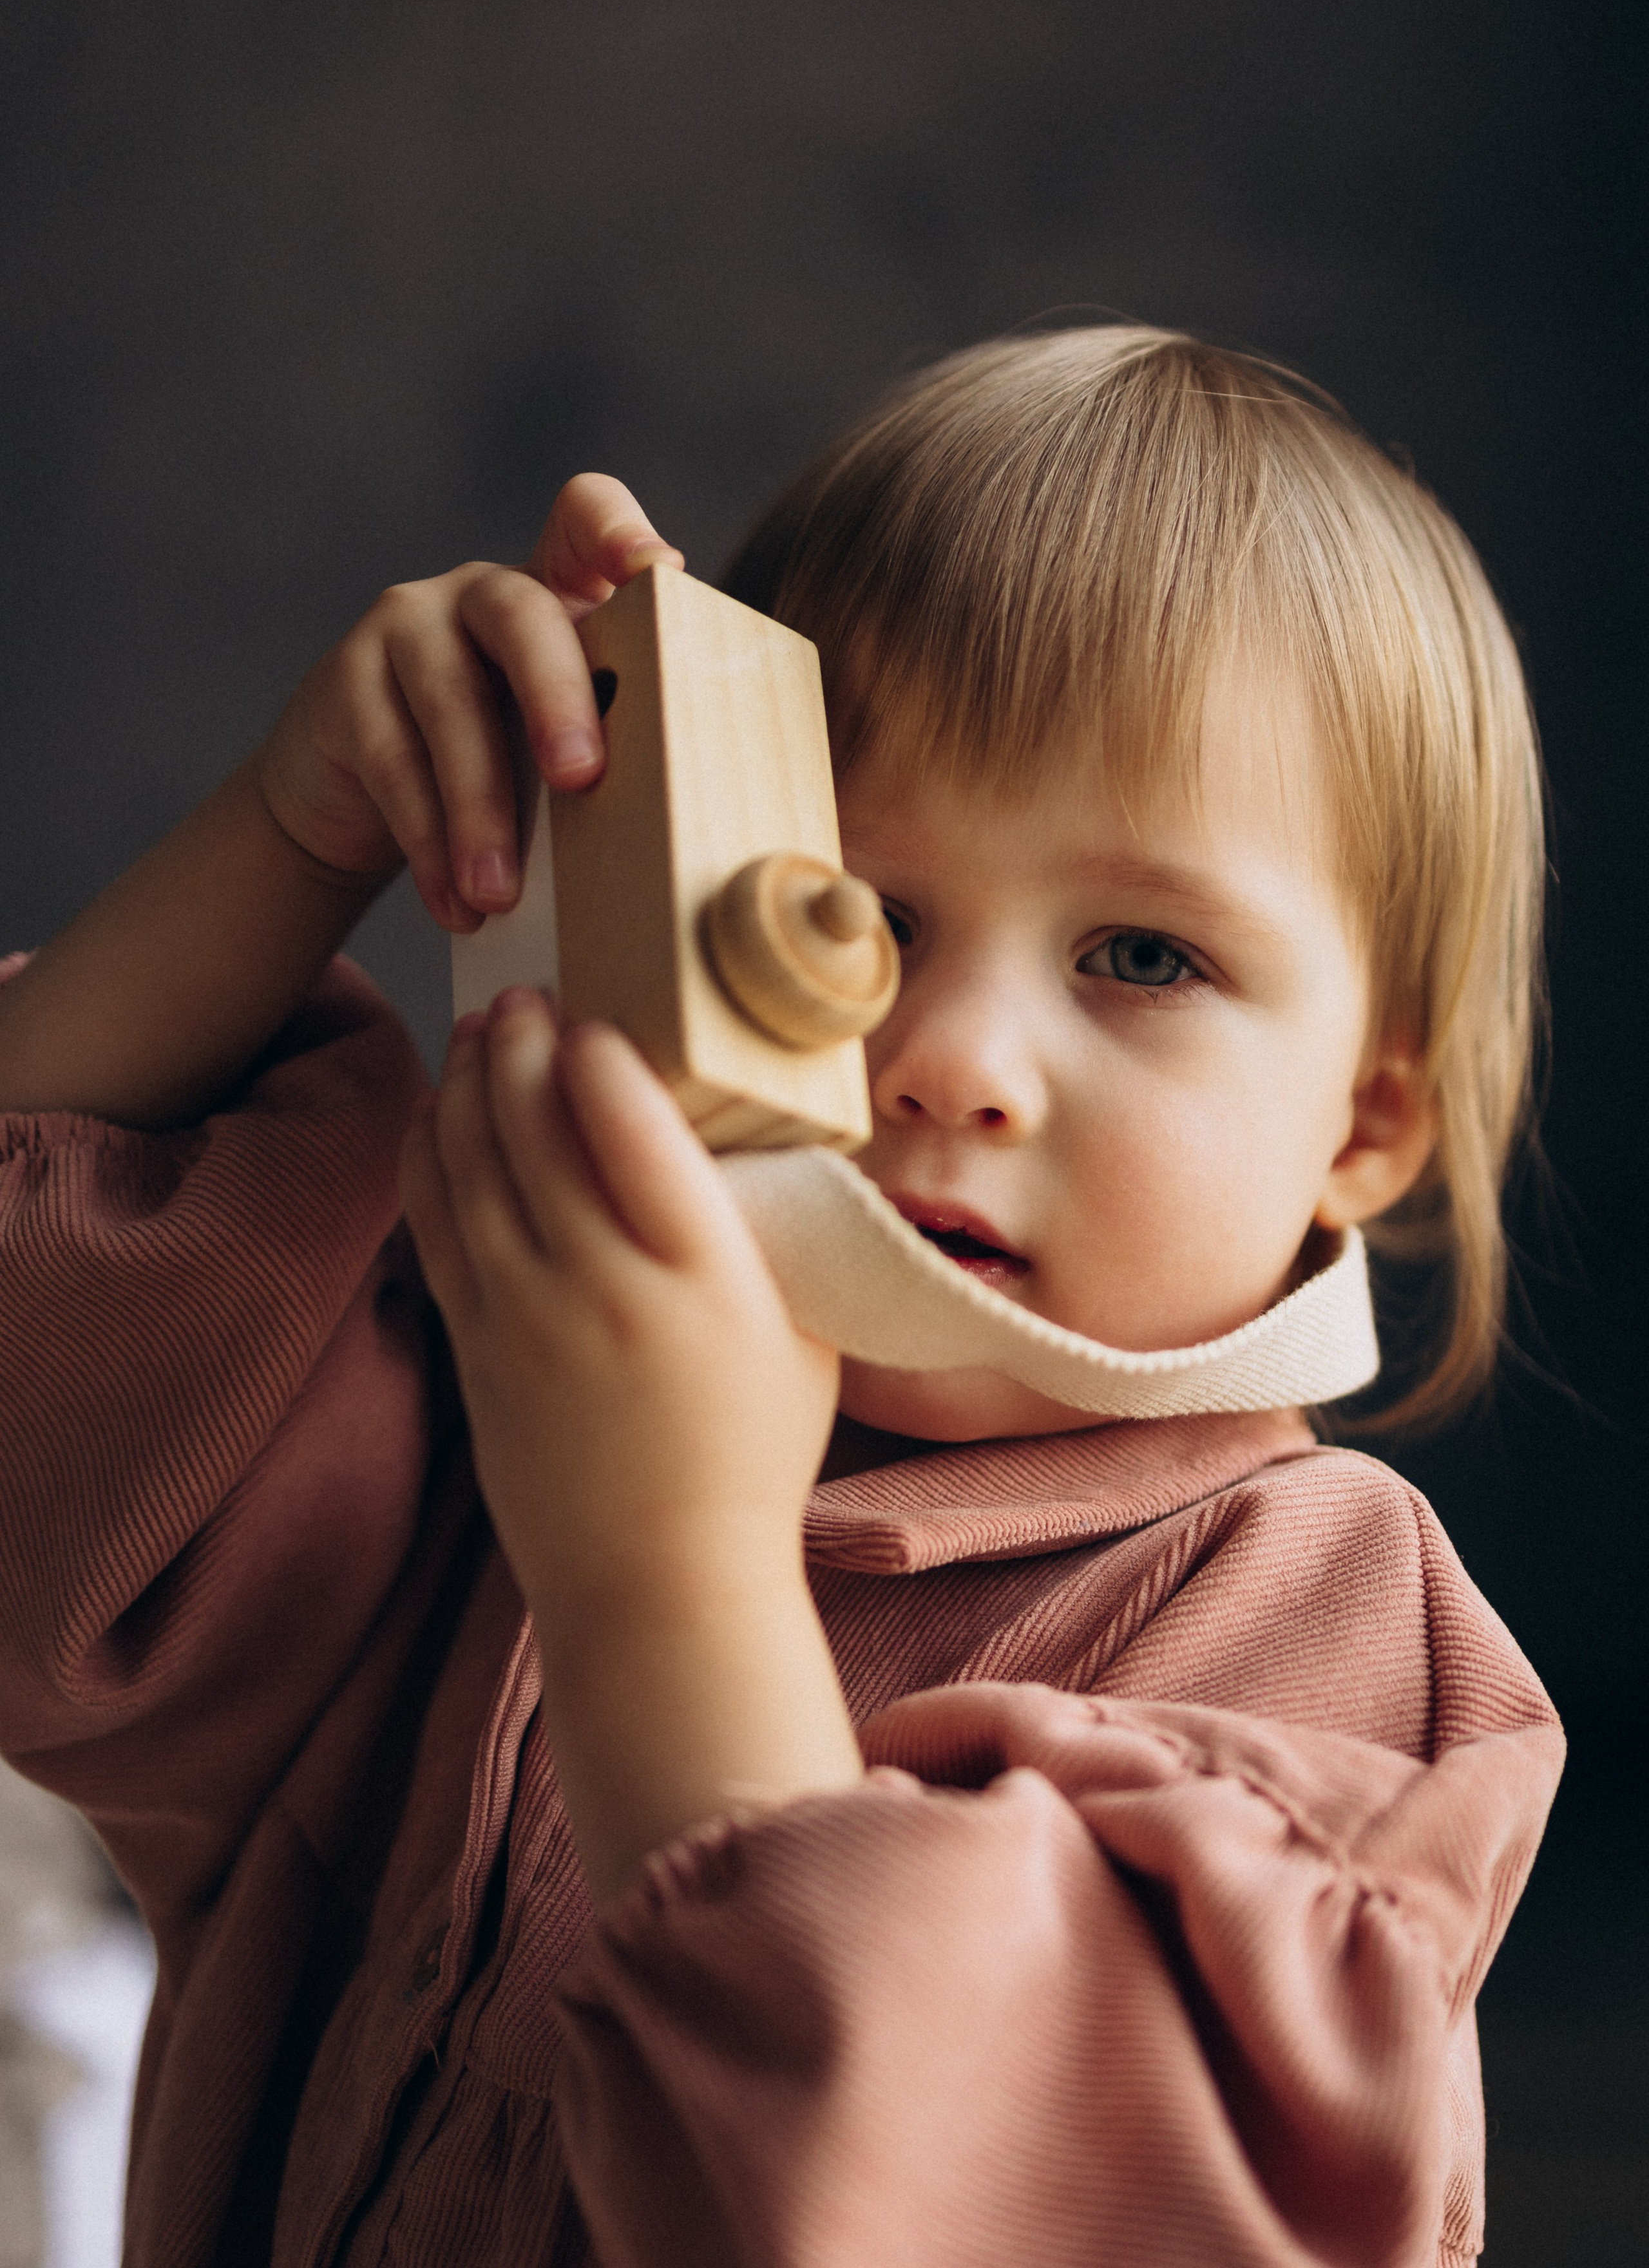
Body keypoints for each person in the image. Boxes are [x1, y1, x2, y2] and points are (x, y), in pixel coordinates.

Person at [0, 326, 1562, 2267]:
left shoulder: (1316, 1627)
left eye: (1141, 952)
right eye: (863, 911)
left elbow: (994, 2194)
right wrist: (296, 837)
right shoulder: (497, 1399)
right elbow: (44, 1383)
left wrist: (665, 1567)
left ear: (1369, 1120)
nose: (946, 1056)